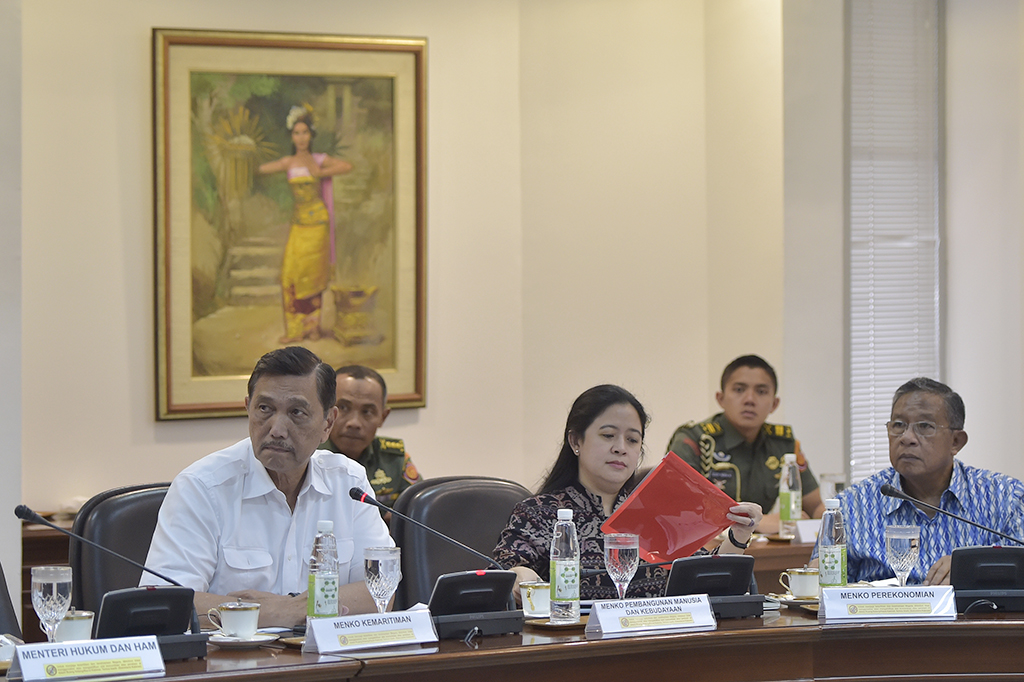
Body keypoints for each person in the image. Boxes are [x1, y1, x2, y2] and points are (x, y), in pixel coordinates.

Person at [141, 347, 394, 627]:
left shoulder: (349, 483)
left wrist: (292, 607)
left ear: (327, 423)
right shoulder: (203, 487)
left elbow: (380, 591)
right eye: (265, 409)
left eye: (297, 412)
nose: (276, 429)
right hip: (233, 665)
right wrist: (276, 614)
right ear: (248, 407)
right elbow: (164, 603)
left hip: (328, 662)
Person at [493, 384, 763, 601]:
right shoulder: (539, 513)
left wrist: (739, 536)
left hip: (658, 647)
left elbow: (703, 579)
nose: (621, 448)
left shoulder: (654, 510)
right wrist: (520, 576)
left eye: (632, 440)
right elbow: (507, 572)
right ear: (576, 441)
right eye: (608, 435)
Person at [811, 377, 1024, 585]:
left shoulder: (1006, 498)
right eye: (898, 425)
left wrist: (973, 571)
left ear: (956, 441)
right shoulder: (850, 506)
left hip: (972, 618)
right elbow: (821, 589)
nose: (907, 437)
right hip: (883, 620)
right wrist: (817, 577)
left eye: (924, 426)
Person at [666, 355, 824, 533]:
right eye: (739, 390)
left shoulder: (784, 445)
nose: (750, 399)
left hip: (762, 552)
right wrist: (758, 522)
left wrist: (833, 520)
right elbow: (676, 511)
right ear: (721, 398)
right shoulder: (695, 440)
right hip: (707, 553)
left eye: (761, 391)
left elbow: (816, 505)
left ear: (774, 404)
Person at [259, 105, 353, 343]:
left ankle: (313, 328)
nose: (301, 138)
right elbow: (261, 169)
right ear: (292, 136)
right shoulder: (288, 161)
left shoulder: (320, 160)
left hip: (318, 223)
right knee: (290, 274)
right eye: (296, 133)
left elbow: (347, 166)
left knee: (313, 274)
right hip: (299, 224)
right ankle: (294, 330)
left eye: (305, 133)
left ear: (311, 136)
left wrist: (319, 173)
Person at [321, 365, 422, 514]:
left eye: (367, 412)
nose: (354, 423)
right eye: (343, 407)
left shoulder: (394, 460)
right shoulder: (306, 457)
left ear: (383, 416)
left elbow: (417, 512)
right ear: (325, 411)